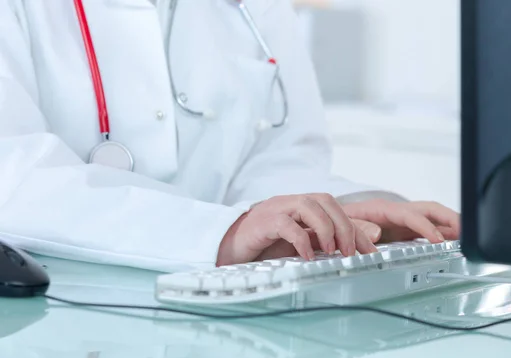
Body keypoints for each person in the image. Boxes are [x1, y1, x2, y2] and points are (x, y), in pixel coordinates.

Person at [0, 0, 459, 272]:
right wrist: (223, 233)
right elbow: (15, 179)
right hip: (53, 336)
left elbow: (276, 157)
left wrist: (343, 211)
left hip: (222, 325)